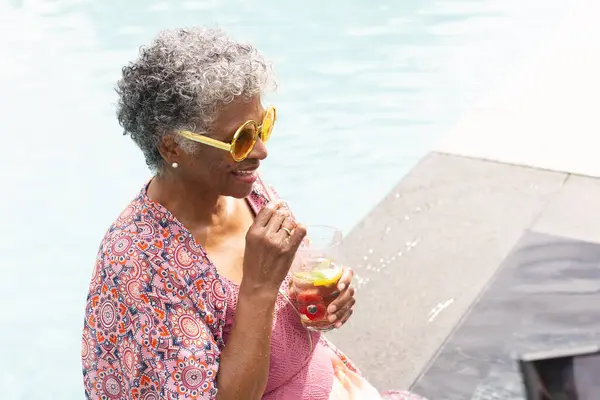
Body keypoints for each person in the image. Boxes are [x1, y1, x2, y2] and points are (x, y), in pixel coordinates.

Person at [81, 27, 426, 400]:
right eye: (242, 138)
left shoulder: (244, 189)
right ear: (173, 148)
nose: (261, 151)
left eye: (264, 126)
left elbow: (299, 291)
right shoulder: (139, 264)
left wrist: (323, 304)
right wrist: (258, 288)